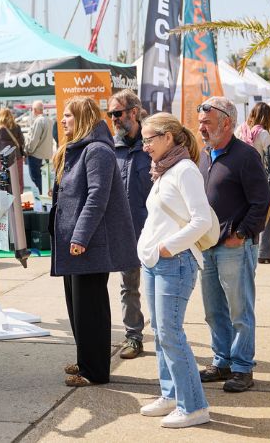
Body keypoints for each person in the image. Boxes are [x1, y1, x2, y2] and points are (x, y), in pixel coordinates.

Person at [52, 96, 140, 387]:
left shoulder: (97, 151)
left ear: (82, 117)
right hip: (75, 246)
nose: (63, 120)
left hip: (89, 244)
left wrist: (79, 236)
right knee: (77, 307)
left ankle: (95, 371)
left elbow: (97, 197)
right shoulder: (78, 149)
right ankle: (86, 359)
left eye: (68, 115)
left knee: (91, 309)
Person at [137, 112, 217, 428]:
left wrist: (168, 246)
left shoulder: (184, 171)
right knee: (160, 333)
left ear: (168, 137)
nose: (144, 147)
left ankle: (194, 406)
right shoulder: (164, 171)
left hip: (176, 262)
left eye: (149, 139)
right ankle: (171, 394)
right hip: (156, 262)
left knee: (171, 333)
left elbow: (202, 221)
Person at [196, 96, 270, 393]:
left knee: (240, 310)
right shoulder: (204, 154)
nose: (201, 128)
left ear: (226, 123)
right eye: (200, 123)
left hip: (234, 247)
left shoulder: (245, 155)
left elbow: (262, 201)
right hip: (207, 246)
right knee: (214, 310)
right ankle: (222, 360)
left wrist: (239, 234)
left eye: (207, 123)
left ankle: (242, 367)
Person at [108, 89, 152, 360]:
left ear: (133, 112)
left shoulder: (153, 144)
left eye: (117, 113)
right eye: (110, 114)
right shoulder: (114, 149)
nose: (113, 119)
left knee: (160, 287)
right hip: (125, 233)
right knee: (128, 287)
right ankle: (133, 337)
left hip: (155, 233)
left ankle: (167, 335)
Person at [236, 103, 270, 264]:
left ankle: (245, 246)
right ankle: (264, 251)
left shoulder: (241, 130)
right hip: (258, 177)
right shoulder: (263, 134)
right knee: (265, 213)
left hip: (239, 177)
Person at [0, 107, 30, 266]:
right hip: (17, 157)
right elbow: (22, 142)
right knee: (17, 182)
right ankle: (16, 202)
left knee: (3, 181)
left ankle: (5, 201)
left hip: (3, 157)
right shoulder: (16, 127)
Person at [26, 100, 55, 195]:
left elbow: (34, 139)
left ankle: (43, 197)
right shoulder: (50, 121)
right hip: (47, 155)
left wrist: (28, 151)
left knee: (36, 178)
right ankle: (47, 197)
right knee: (45, 179)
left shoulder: (38, 121)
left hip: (36, 155)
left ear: (34, 110)